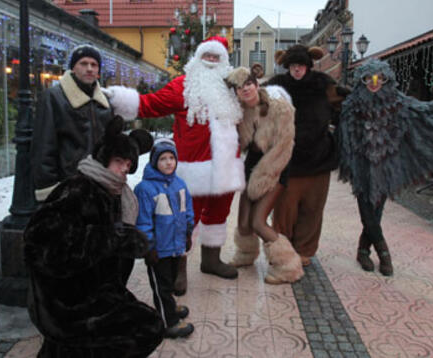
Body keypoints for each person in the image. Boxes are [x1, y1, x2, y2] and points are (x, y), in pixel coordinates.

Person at [103, 36, 244, 292]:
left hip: (225, 167)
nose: (211, 61)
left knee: (218, 215)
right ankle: (179, 269)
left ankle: (211, 260)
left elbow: (255, 106)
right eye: (207, 56)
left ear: (224, 61)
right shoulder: (183, 86)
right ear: (198, 59)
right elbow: (151, 104)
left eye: (217, 57)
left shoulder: (233, 88)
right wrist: (116, 100)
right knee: (183, 219)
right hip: (193, 169)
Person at [337, 59, 433, 276]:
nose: (374, 83)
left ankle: (363, 251)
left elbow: (425, 109)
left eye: (379, 78)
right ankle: (384, 253)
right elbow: (344, 138)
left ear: (386, 79)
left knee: (376, 212)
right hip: (361, 168)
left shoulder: (397, 101)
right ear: (361, 81)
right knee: (367, 213)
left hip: (387, 167)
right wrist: (350, 164)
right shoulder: (351, 106)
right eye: (368, 79)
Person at [24, 116, 163, 357]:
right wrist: (116, 238)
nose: (124, 169)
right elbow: (41, 244)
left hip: (98, 290)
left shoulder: (116, 194)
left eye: (129, 164)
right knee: (146, 328)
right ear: (103, 158)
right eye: (118, 161)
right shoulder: (78, 189)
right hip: (66, 300)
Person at [265, 45, 349, 266]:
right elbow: (257, 102)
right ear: (287, 66)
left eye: (301, 65)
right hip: (287, 162)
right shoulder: (277, 85)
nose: (297, 70)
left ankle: (304, 252)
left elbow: (344, 102)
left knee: (312, 211)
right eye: (293, 66)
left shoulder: (323, 84)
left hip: (318, 160)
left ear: (308, 65)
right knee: (284, 211)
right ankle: (282, 251)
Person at [226, 67, 303, 284]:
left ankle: (288, 266)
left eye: (248, 84)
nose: (245, 90)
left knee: (258, 223)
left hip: (276, 168)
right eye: (240, 88)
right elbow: (241, 143)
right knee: (243, 223)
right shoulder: (241, 112)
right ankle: (246, 255)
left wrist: (265, 177)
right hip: (252, 167)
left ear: (257, 84)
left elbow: (284, 146)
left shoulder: (280, 108)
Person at [31, 44, 115, 202]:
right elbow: (44, 145)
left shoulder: (104, 101)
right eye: (83, 63)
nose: (89, 68)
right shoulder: (54, 97)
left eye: (94, 64)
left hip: (101, 182)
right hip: (68, 184)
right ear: (73, 68)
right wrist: (49, 189)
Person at [134, 138, 195, 338]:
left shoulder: (180, 184)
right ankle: (167, 322)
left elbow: (188, 211)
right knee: (161, 286)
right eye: (163, 159)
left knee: (169, 281)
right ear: (154, 162)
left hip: (176, 245)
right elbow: (143, 221)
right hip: (158, 249)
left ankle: (170, 308)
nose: (169, 163)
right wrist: (148, 246)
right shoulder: (145, 189)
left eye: (172, 158)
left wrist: (187, 232)